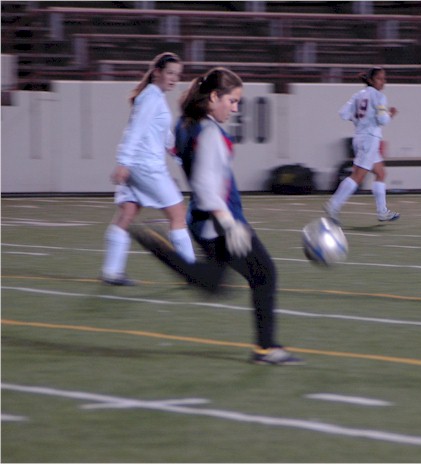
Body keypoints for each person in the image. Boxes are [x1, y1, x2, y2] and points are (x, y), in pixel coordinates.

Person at [174, 67, 303, 365]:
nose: (234, 109)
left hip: (202, 220)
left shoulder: (188, 124)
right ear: (214, 97)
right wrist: (230, 224)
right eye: (231, 101)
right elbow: (205, 186)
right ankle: (266, 349)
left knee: (215, 282)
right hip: (219, 220)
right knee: (264, 273)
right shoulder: (209, 133)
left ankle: (166, 253)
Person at [101, 52, 196, 286]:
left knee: (127, 214)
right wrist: (123, 162)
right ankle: (192, 273)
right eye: (170, 73)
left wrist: (179, 155)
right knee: (178, 214)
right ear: (157, 73)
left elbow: (161, 135)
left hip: (138, 166)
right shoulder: (151, 97)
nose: (174, 78)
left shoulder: (154, 97)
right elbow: (135, 131)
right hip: (146, 167)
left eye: (177, 75)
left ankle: (111, 272)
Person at [325, 67, 400, 223]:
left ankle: (382, 212)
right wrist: (391, 113)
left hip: (360, 137)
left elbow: (343, 113)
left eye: (384, 78)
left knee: (380, 173)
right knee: (357, 176)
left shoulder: (358, 95)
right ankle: (333, 205)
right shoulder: (379, 96)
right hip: (370, 139)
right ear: (371, 80)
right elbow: (383, 120)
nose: (383, 82)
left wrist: (360, 120)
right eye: (380, 78)